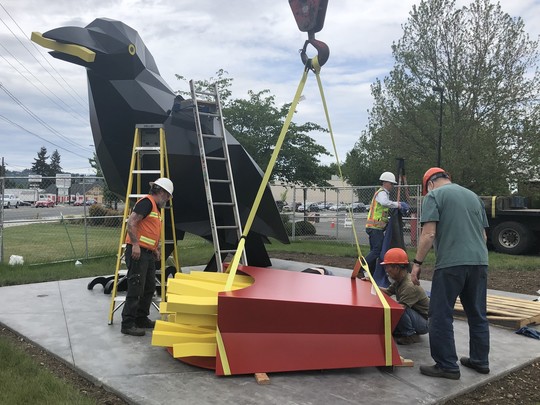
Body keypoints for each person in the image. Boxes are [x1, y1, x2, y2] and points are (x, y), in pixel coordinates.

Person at [411, 167, 490, 380]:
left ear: (429, 184)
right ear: (448, 178)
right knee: (477, 314)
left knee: (440, 315)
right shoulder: (474, 197)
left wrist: (417, 263)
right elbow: (483, 236)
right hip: (480, 263)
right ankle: (480, 361)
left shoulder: (434, 196)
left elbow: (428, 234)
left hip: (451, 265)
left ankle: (447, 365)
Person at [121, 177, 174, 336]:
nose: (168, 199)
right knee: (136, 287)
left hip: (148, 253)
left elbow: (150, 231)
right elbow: (132, 222)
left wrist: (155, 249)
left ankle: (141, 318)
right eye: (168, 196)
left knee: (149, 287)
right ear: (163, 192)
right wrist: (135, 244)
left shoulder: (155, 208)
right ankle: (128, 323)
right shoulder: (147, 203)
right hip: (138, 252)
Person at [362, 247, 429, 345]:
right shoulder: (400, 280)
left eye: (387, 267)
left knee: (399, 308)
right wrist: (371, 284)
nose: (386, 270)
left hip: (424, 323)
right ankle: (404, 331)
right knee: (396, 308)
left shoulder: (409, 286)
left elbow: (399, 309)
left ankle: (409, 335)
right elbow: (387, 292)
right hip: (416, 316)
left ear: (396, 268)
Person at [364, 171, 408, 275]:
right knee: (377, 251)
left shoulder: (382, 193)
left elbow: (382, 210)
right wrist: (398, 205)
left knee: (374, 251)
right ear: (386, 183)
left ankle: (369, 272)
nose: (392, 186)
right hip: (375, 228)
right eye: (391, 183)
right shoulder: (382, 193)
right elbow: (384, 203)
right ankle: (361, 267)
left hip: (375, 227)